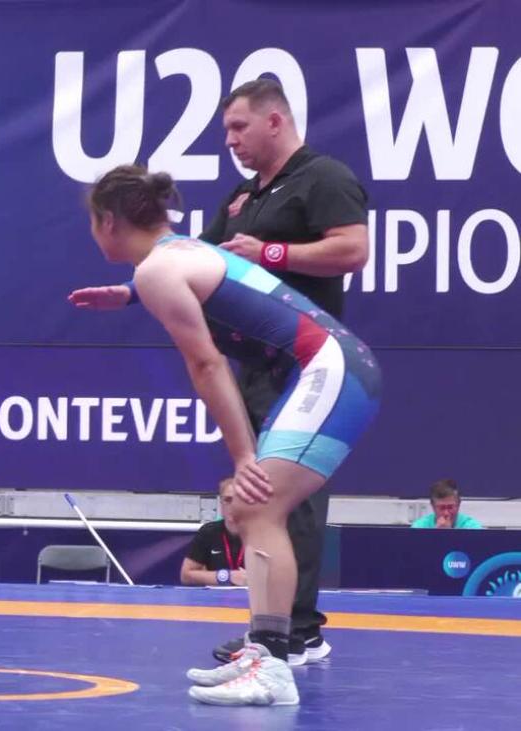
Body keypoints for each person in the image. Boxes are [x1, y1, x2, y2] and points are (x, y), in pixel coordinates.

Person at [73, 78, 369, 667]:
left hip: (314, 365)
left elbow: (206, 359)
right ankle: (272, 641)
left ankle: (287, 640)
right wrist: (130, 292)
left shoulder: (323, 177)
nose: (230, 139)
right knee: (256, 505)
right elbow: (192, 264)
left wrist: (242, 456)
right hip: (285, 361)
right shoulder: (241, 198)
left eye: (238, 126)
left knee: (263, 500)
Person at [180, 478, 247, 587]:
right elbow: (186, 575)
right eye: (228, 500)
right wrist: (227, 577)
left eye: (239, 500)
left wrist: (255, 579)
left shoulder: (263, 533)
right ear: (221, 503)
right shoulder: (208, 532)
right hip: (217, 596)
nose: (233, 506)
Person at [411, 479, 483, 529]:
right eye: (441, 508)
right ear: (433, 507)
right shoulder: (419, 527)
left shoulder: (472, 528)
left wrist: (448, 534)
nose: (446, 513)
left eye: (450, 507)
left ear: (458, 504)